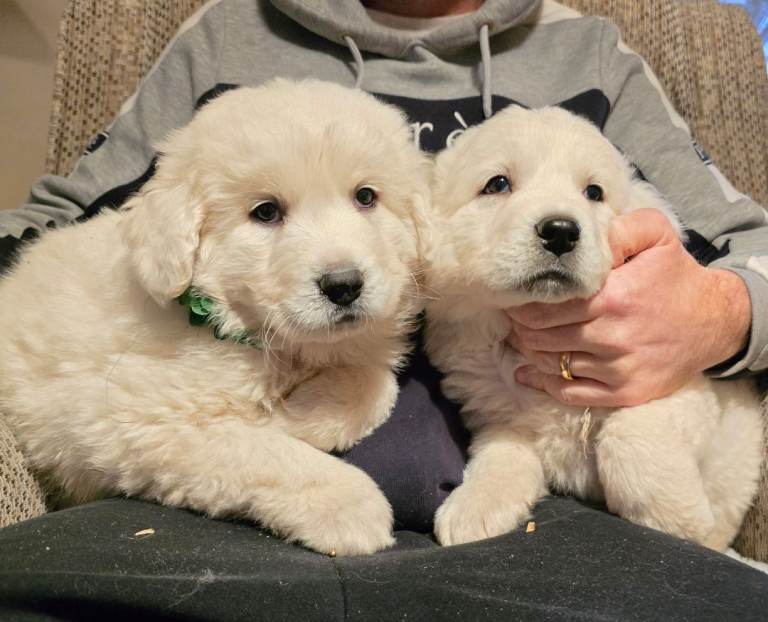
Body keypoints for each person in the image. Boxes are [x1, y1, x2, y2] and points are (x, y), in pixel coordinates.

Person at [0, 0, 767, 619]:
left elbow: (750, 243)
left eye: (368, 198)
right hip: (221, 504)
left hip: (539, 505)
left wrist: (720, 313)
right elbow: (67, 225)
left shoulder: (594, 56)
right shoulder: (229, 34)